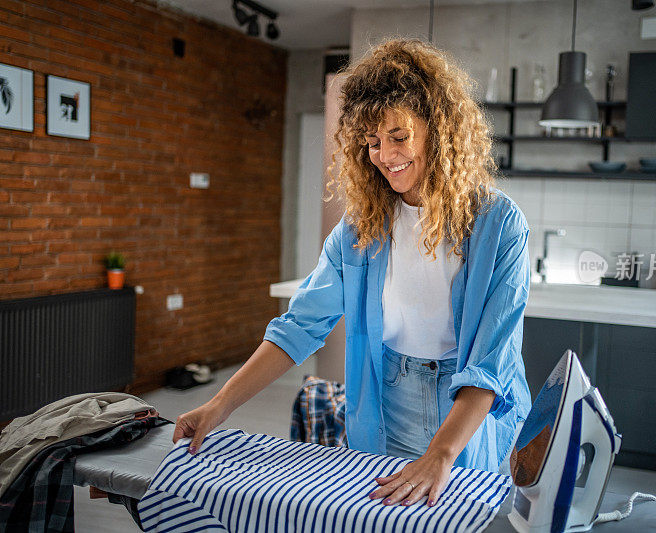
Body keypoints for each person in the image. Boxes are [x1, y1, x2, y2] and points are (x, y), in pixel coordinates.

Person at [173, 39, 531, 509]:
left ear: (438, 128)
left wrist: (442, 453)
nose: (385, 155)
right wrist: (220, 404)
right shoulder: (361, 229)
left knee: (455, 516)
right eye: (372, 142)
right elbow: (299, 327)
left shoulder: (499, 223)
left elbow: (490, 364)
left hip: (467, 411)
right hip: (386, 400)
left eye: (399, 136)